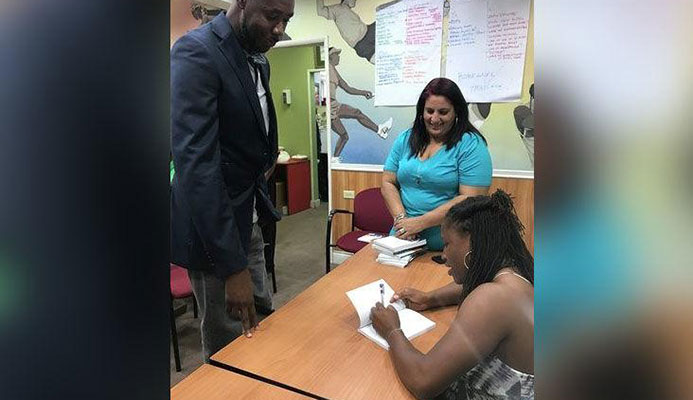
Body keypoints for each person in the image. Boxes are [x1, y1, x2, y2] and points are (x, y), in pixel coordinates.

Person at [170, 0, 294, 362]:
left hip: (248, 216)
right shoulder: (196, 52)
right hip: (214, 237)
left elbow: (251, 128)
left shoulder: (257, 57)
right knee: (229, 348)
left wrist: (266, 159)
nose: (280, 29)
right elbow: (197, 165)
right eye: (272, 16)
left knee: (262, 328)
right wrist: (232, 267)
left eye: (286, 19)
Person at [370, 189, 534, 399]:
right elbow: (467, 288)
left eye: (447, 244)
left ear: (472, 243)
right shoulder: (516, 273)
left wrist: (392, 330)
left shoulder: (492, 299)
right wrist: (430, 298)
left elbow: (423, 381)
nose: (444, 255)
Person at [381, 77, 492, 251]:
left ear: (456, 112)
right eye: (429, 111)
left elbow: (471, 198)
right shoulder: (406, 138)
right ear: (421, 111)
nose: (434, 118)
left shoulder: (471, 144)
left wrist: (420, 223)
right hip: (403, 238)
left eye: (443, 112)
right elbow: (388, 182)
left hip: (449, 244)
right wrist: (402, 221)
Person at [328, 47, 392, 160]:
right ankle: (379, 129)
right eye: (337, 54)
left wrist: (363, 93)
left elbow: (348, 88)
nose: (339, 57)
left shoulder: (334, 71)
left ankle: (379, 130)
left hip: (333, 105)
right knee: (346, 131)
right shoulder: (325, 69)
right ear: (330, 56)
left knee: (345, 133)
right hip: (327, 107)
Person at [316, 0, 375, 64]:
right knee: (375, 57)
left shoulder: (347, 9)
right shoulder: (336, 9)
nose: (354, 2)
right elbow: (321, 11)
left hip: (367, 32)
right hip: (360, 43)